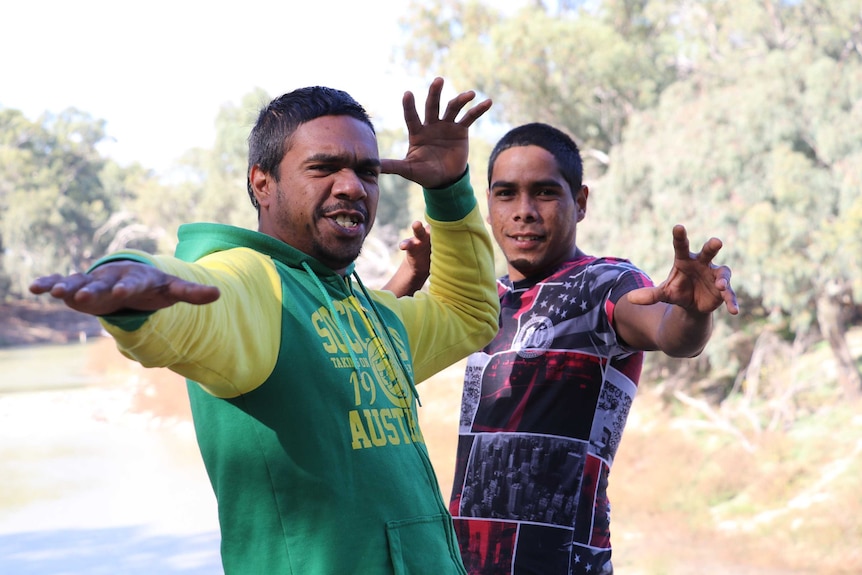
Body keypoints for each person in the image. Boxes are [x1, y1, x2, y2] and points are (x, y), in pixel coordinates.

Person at [29, 78, 500, 575]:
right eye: (323, 168)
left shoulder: (371, 314)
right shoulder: (254, 284)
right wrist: (139, 290)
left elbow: (467, 312)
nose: (351, 186)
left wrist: (448, 191)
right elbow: (201, 308)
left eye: (367, 171)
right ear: (262, 183)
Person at [442, 123, 739, 574]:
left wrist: (693, 314)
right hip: (466, 559)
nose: (524, 211)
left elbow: (668, 333)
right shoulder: (485, 300)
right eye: (506, 194)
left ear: (579, 203)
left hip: (561, 562)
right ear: (489, 204)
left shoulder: (603, 284)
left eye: (543, 192)